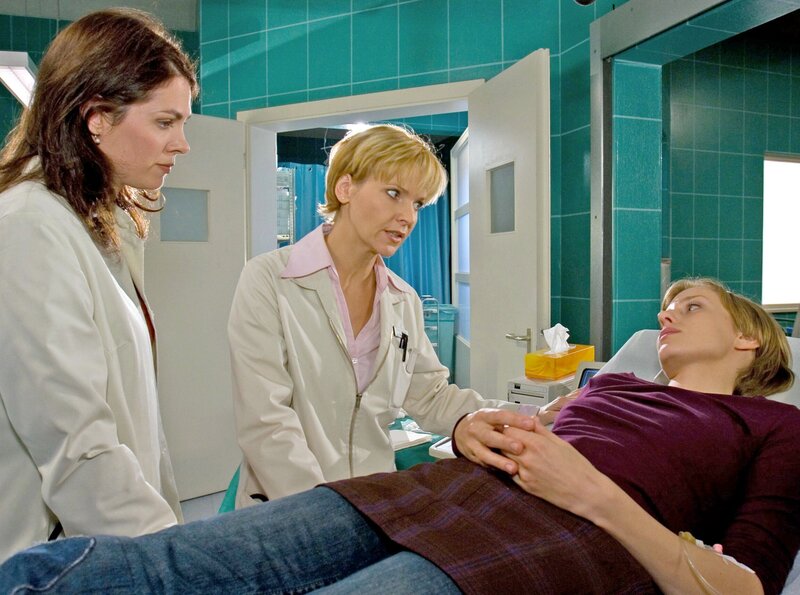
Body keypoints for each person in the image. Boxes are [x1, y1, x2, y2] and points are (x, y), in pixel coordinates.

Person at [3, 277, 798, 595]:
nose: (666, 312)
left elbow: (747, 588)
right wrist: (479, 428)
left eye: (690, 305)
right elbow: (518, 429)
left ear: (748, 338)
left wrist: (592, 494)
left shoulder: (775, 425)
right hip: (435, 491)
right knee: (170, 562)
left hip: (562, 540)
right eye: (666, 304)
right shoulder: (612, 383)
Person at [227, 123, 516, 505]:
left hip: (373, 502)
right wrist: (321, 510)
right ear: (345, 188)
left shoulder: (403, 299)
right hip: (288, 507)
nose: (408, 217)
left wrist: (532, 415)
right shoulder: (269, 279)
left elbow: (431, 397)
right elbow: (266, 421)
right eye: (394, 193)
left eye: (417, 204)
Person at [0, 8, 197, 562]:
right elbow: (75, 443)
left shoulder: (91, 223)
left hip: (103, 541)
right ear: (97, 119)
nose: (182, 144)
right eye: (165, 122)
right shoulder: (28, 226)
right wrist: (172, 562)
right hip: (51, 555)